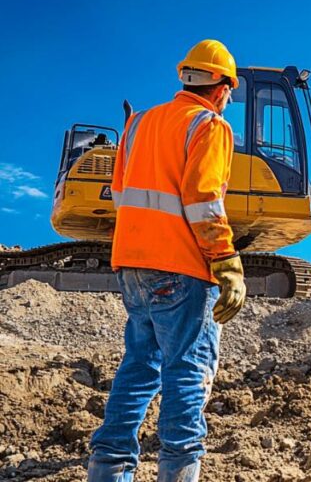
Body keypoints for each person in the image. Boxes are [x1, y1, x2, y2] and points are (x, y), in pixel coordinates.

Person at [87, 40, 247, 482]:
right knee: (187, 373)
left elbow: (122, 197)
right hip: (181, 268)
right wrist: (227, 262)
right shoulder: (209, 125)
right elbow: (203, 200)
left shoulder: (139, 124)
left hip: (132, 265)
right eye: (230, 93)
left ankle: (107, 471)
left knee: (139, 367)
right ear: (221, 88)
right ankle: (177, 472)